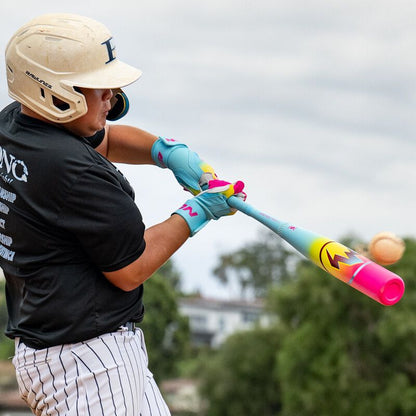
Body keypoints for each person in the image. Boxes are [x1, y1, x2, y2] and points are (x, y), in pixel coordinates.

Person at [0, 13, 246, 416]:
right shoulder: (75, 174)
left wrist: (164, 152)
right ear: (55, 92)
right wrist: (197, 212)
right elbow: (131, 267)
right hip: (88, 366)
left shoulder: (16, 125)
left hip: (60, 348)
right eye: (99, 87)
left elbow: (106, 138)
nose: (112, 96)